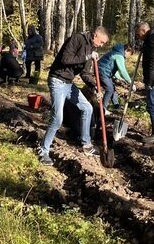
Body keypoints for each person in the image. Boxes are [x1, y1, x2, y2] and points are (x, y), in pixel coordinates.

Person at [38, 26, 110, 166]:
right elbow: (66, 59)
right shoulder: (78, 39)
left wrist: (95, 87)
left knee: (87, 109)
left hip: (68, 83)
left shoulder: (91, 49)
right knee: (57, 118)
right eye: (101, 42)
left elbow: (84, 73)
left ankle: (86, 144)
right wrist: (87, 56)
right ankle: (43, 150)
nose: (101, 46)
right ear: (95, 35)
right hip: (57, 80)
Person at [97, 43, 134, 114]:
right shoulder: (119, 56)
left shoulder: (115, 53)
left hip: (105, 71)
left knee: (112, 89)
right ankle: (103, 109)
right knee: (110, 89)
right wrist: (130, 82)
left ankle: (117, 105)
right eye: (130, 54)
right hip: (102, 71)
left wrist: (120, 78)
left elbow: (113, 68)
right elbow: (122, 70)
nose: (129, 56)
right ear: (126, 50)